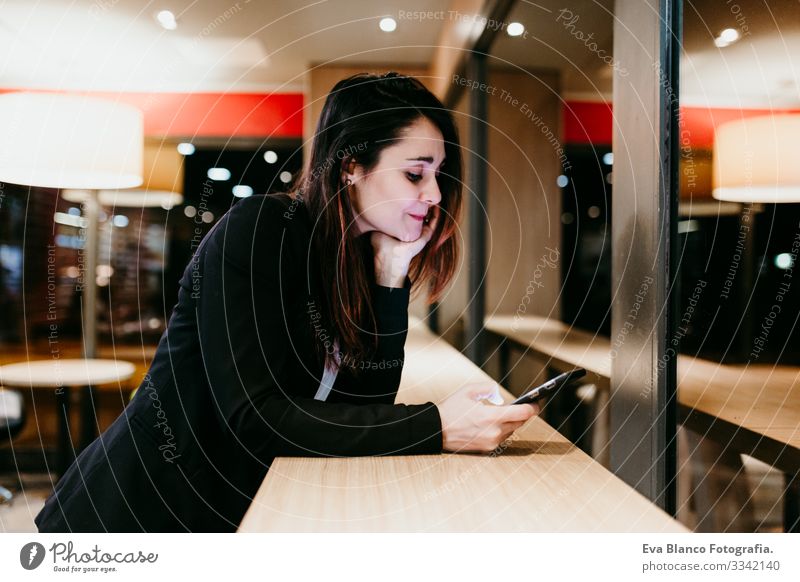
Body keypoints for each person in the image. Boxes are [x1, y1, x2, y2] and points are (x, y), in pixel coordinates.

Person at [35, 72, 538, 532]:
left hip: (231, 507)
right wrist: (439, 424)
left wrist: (390, 273)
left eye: (438, 174)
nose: (433, 194)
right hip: (140, 509)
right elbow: (255, 417)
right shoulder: (262, 230)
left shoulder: (361, 260)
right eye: (415, 174)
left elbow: (364, 405)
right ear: (352, 166)